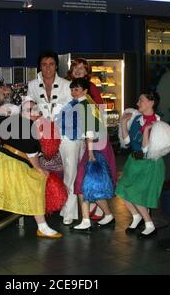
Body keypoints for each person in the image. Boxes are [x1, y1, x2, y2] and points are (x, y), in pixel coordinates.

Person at [0, 100, 62, 238]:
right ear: (21, 112)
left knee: (35, 182)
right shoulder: (24, 125)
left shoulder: (20, 123)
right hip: (10, 163)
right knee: (37, 181)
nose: (31, 113)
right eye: (27, 110)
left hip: (3, 161)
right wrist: (38, 168)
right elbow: (31, 152)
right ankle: (42, 226)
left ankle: (41, 225)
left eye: (34, 109)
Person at [116, 90, 170, 238]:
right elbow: (126, 143)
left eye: (141, 100)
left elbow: (146, 149)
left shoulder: (158, 123)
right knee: (121, 189)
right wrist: (124, 123)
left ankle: (149, 224)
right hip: (133, 162)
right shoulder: (136, 118)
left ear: (151, 103)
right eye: (138, 100)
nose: (138, 103)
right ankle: (136, 216)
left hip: (148, 164)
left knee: (135, 193)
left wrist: (146, 132)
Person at [27, 51, 79, 226]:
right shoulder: (33, 85)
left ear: (56, 66)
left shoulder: (67, 85)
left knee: (70, 169)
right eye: (44, 64)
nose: (47, 68)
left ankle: (69, 210)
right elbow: (27, 104)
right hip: (43, 134)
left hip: (66, 133)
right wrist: (33, 112)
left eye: (51, 64)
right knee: (37, 170)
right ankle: (42, 205)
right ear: (39, 67)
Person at [66, 58, 117, 221]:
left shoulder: (89, 90)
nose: (79, 70)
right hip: (84, 138)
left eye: (82, 68)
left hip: (93, 140)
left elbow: (95, 116)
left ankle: (97, 212)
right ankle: (96, 213)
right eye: (76, 67)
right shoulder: (73, 89)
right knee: (86, 176)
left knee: (89, 176)